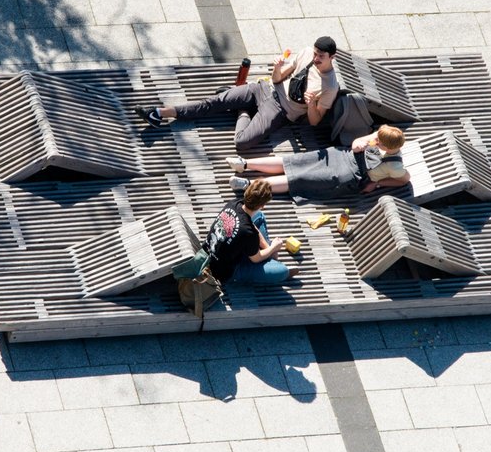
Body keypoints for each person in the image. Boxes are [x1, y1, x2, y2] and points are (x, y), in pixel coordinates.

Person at [136, 36, 341, 150]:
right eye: (315, 53)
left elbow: (314, 121)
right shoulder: (306, 53)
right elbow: (278, 79)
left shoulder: (330, 86)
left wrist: (312, 104)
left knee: (242, 142)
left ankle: (242, 108)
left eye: (320, 56)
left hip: (280, 111)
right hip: (264, 88)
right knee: (214, 101)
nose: (315, 58)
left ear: (331, 57)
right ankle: (159, 113)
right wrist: (278, 67)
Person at [227, 125, 410, 199]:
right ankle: (245, 164)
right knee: (295, 161)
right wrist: (358, 144)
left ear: (386, 147)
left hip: (348, 175)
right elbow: (356, 143)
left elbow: (404, 180)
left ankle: (249, 184)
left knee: (300, 177)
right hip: (343, 155)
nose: (375, 141)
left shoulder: (394, 165)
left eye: (379, 143)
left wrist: (377, 183)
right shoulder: (382, 135)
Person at [205, 179, 298, 285]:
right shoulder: (248, 233)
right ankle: (278, 270)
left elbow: (250, 225)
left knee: (259, 216)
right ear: (262, 205)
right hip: (226, 271)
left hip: (215, 251)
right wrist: (273, 248)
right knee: (282, 271)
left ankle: (269, 258)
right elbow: (256, 259)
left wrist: (268, 248)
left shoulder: (234, 203)